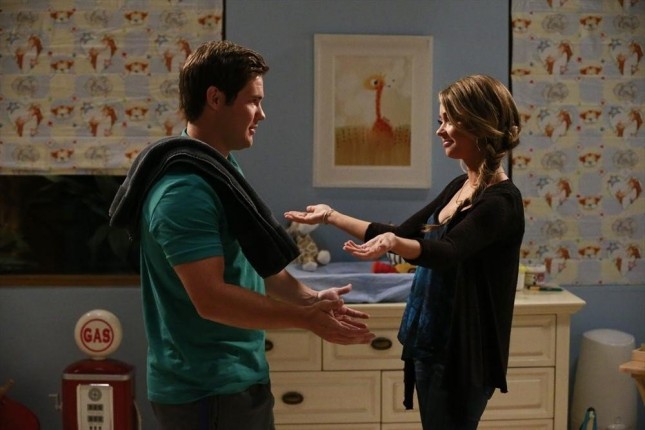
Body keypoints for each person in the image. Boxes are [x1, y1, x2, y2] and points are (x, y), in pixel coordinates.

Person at [109, 40, 375, 430]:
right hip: (205, 391)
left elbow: (255, 264)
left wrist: (312, 299)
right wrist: (305, 319)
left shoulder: (220, 169)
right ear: (216, 98)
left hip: (236, 380)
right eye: (253, 101)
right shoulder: (184, 191)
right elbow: (211, 299)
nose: (262, 114)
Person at [285, 74, 525, 430]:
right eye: (439, 120)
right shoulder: (460, 186)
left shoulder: (501, 202)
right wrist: (330, 216)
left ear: (477, 124)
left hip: (462, 355)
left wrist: (395, 245)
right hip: (431, 342)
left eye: (448, 120)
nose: (439, 130)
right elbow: (400, 233)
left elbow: (446, 251)